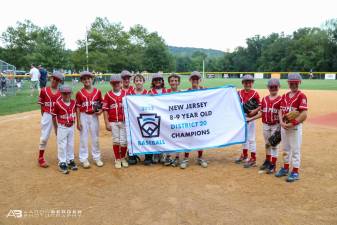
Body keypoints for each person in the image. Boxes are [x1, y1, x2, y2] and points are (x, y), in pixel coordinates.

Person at [275, 73, 308, 182]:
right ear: (288, 83)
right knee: (285, 149)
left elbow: (304, 114)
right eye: (291, 83)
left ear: (299, 83)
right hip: (284, 127)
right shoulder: (284, 96)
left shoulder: (301, 96)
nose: (293, 84)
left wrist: (293, 123)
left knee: (295, 150)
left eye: (296, 83)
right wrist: (281, 122)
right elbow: (280, 109)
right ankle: (285, 168)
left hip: (294, 128)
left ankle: (295, 171)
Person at [247, 78, 282, 174]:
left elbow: (282, 114)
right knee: (267, 144)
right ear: (268, 87)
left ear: (279, 87)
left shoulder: (280, 100)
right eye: (271, 87)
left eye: (275, 87)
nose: (273, 88)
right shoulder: (265, 99)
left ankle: (273, 165)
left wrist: (281, 126)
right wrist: (250, 119)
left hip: (275, 125)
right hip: (266, 125)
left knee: (274, 145)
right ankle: (268, 161)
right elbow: (262, 113)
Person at [179, 71, 208, 169]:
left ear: (199, 80)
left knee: (200, 137)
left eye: (197, 79)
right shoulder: (187, 91)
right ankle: (186, 158)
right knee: (188, 138)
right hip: (190, 119)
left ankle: (200, 157)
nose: (195, 80)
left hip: (201, 118)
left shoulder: (204, 90)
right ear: (190, 80)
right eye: (193, 79)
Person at [76, 71, 104, 168]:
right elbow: (78, 108)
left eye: (88, 78)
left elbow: (102, 104)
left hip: (94, 116)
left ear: (92, 79)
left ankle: (97, 157)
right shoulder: (79, 93)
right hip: (84, 115)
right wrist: (78, 121)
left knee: (95, 137)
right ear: (82, 81)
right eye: (84, 79)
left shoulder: (98, 91)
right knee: (83, 138)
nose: (87, 80)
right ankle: (83, 159)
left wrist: (100, 111)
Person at [37, 72, 64, 168]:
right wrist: (44, 115)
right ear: (50, 78)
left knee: (61, 136)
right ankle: (40, 158)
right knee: (44, 137)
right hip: (47, 115)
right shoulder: (44, 90)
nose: (55, 81)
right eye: (53, 78)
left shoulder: (61, 93)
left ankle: (62, 156)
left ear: (60, 82)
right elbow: (42, 105)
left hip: (58, 116)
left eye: (57, 80)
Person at [103, 74, 128, 169]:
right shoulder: (108, 95)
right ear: (111, 83)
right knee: (116, 140)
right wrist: (106, 122)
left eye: (118, 82)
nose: (116, 84)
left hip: (124, 121)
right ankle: (117, 158)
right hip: (113, 122)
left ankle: (122, 158)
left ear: (121, 83)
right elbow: (105, 109)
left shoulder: (125, 94)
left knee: (124, 141)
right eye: (114, 83)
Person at [235, 74, 261, 168]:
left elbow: (260, 106)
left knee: (251, 138)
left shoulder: (255, 93)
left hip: (250, 118)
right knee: (243, 137)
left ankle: (253, 158)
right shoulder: (239, 93)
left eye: (250, 82)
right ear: (243, 83)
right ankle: (245, 155)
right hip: (241, 118)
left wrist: (254, 111)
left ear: (252, 83)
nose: (248, 84)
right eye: (246, 82)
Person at [52, 85, 77, 174]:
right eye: (64, 93)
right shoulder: (57, 104)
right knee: (62, 145)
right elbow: (53, 116)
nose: (66, 95)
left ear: (71, 93)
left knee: (70, 144)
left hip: (71, 127)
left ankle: (70, 160)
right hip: (62, 127)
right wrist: (55, 128)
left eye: (68, 93)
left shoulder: (74, 103)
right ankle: (62, 162)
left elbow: (77, 111)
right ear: (61, 94)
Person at [145, 73, 168, 165]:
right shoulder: (150, 92)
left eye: (159, 80)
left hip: (165, 117)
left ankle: (163, 153)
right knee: (155, 135)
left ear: (162, 81)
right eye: (156, 80)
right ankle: (155, 153)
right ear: (153, 82)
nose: (158, 81)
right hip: (154, 117)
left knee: (164, 135)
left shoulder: (166, 91)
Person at [127, 73, 148, 165]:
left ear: (143, 81)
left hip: (144, 118)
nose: (138, 82)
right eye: (136, 80)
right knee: (133, 136)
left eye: (140, 80)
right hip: (133, 119)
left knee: (146, 136)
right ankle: (132, 155)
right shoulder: (129, 93)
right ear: (134, 82)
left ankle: (148, 156)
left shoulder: (148, 93)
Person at [166, 73, 181, 167]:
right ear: (169, 82)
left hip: (178, 118)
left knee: (178, 138)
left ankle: (177, 157)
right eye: (171, 81)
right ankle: (168, 156)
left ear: (178, 82)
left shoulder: (182, 93)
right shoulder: (165, 93)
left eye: (175, 81)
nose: (173, 82)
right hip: (167, 119)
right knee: (168, 137)